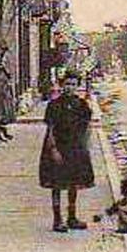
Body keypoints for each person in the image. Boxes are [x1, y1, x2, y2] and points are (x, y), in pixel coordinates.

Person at [39, 72, 95, 233]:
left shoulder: (81, 104)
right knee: (56, 183)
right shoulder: (54, 105)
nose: (70, 87)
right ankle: (57, 219)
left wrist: (85, 147)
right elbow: (50, 129)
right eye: (67, 84)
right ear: (62, 85)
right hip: (58, 146)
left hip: (75, 147)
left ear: (77, 86)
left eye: (73, 84)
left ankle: (72, 216)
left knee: (73, 183)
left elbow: (87, 127)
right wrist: (53, 150)